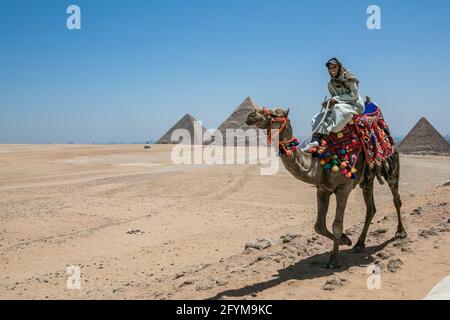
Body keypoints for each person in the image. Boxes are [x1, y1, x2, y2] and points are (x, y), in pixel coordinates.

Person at [302, 58, 365, 151]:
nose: (332, 69)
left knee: (337, 108)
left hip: (355, 105)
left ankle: (324, 135)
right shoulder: (330, 83)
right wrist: (328, 103)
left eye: (334, 67)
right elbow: (335, 98)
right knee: (319, 116)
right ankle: (314, 140)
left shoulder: (350, 78)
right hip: (341, 107)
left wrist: (335, 100)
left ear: (339, 67)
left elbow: (354, 96)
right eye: (330, 68)